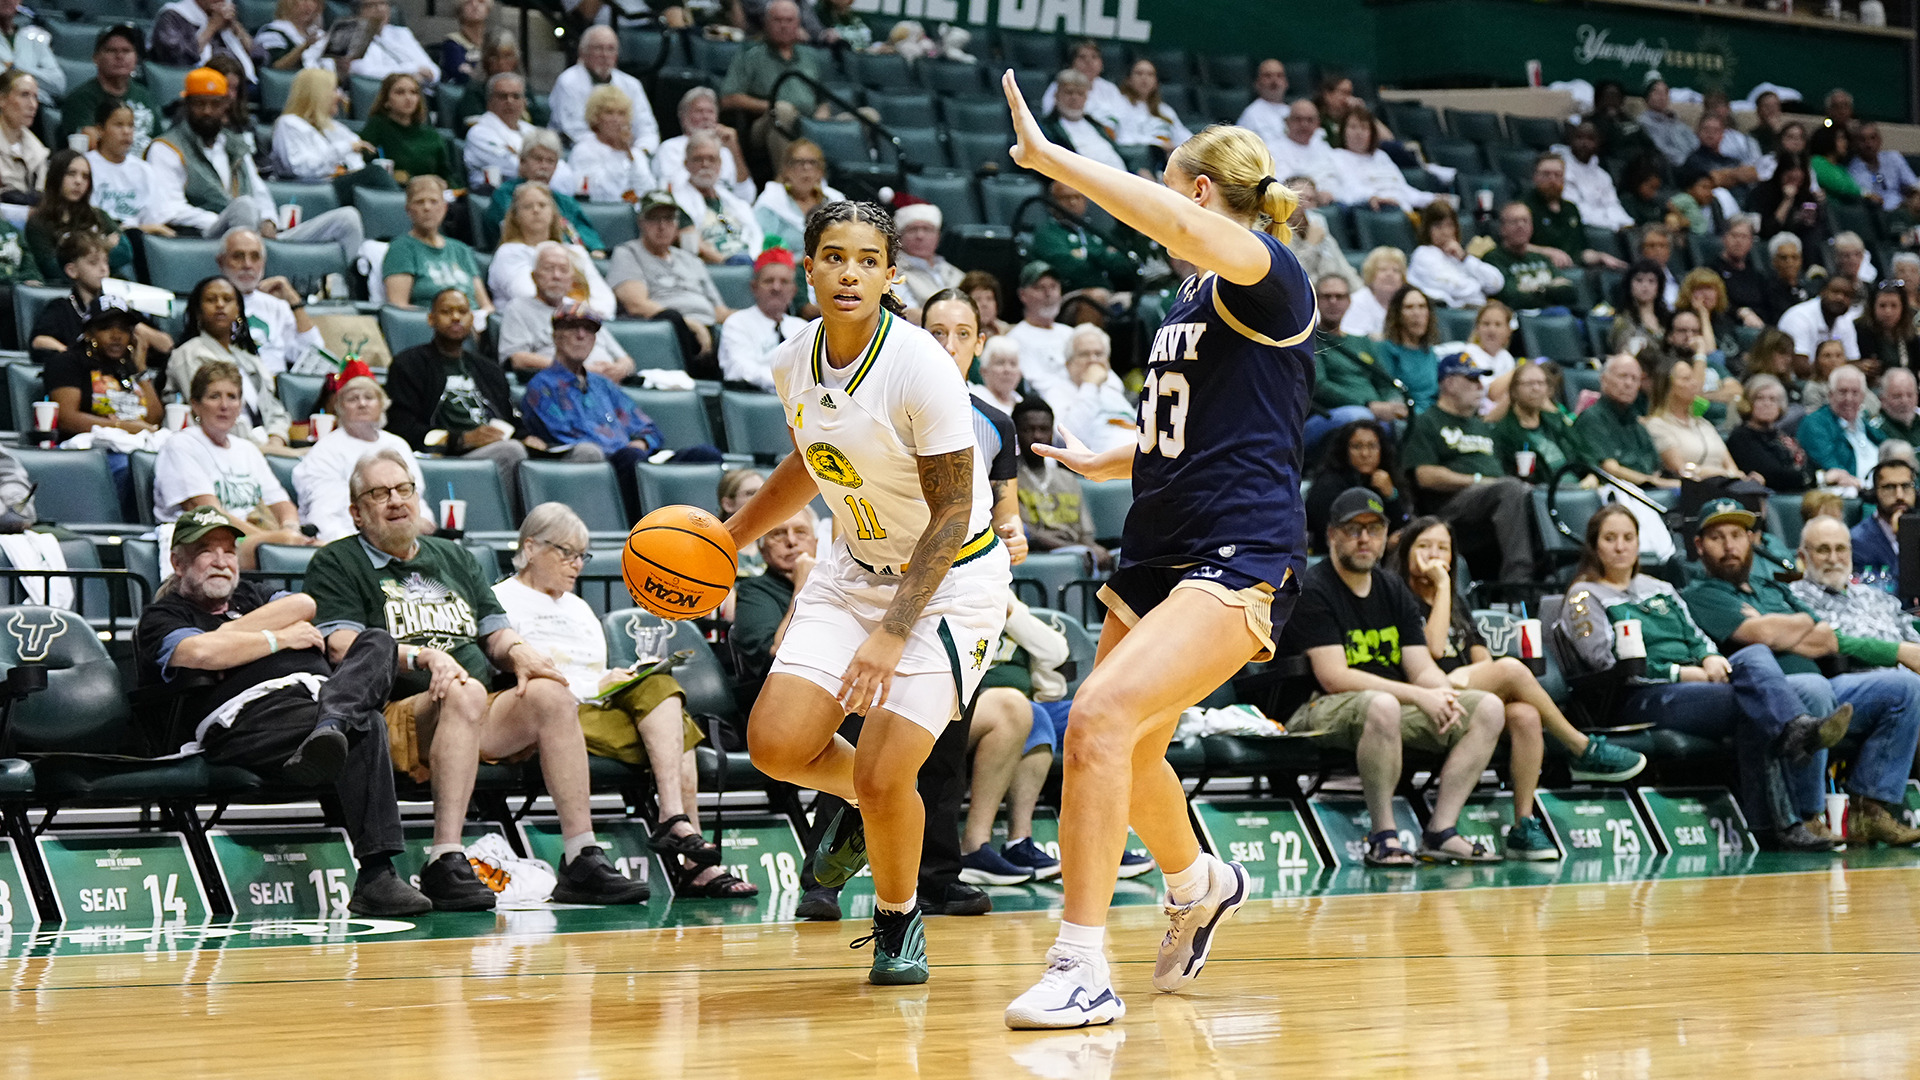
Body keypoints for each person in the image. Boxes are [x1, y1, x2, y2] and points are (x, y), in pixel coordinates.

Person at [993, 86, 1320, 1024]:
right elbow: (1224, 413)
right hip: (1157, 539)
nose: (1164, 218)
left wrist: (1055, 160)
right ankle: (1197, 879)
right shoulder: (1194, 290)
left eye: (1175, 197)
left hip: (1237, 545)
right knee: (1129, 754)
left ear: (1205, 195)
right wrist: (1130, 449)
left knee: (1093, 720)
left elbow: (1165, 212)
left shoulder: (1270, 271)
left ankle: (1080, 966)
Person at [712, 201, 1010, 988]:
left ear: (889, 275)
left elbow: (951, 514)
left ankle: (897, 916)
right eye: (833, 256)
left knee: (885, 775)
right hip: (853, 573)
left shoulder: (921, 367)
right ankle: (877, 816)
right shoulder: (791, 362)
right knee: (776, 746)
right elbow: (815, 463)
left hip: (952, 581)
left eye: (866, 260)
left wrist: (890, 635)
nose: (849, 272)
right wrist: (729, 538)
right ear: (807, 267)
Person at [308, 450, 650, 909]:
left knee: (551, 693)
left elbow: (495, 632)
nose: (395, 500)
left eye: (403, 489)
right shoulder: (338, 561)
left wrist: (520, 651)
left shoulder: (453, 556)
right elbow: (342, 645)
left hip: (473, 708)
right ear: (357, 512)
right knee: (464, 689)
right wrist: (423, 657)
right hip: (399, 714)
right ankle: (444, 859)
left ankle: (581, 856)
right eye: (378, 493)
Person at [133, 505, 432, 916]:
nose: (221, 561)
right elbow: (199, 650)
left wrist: (233, 645)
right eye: (206, 551)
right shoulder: (164, 616)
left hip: (317, 700)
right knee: (368, 723)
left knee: (378, 641)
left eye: (228, 551)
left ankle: (331, 725)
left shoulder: (252, 595)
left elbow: (305, 604)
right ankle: (377, 876)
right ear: (177, 562)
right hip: (247, 720)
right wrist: (278, 639)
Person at [494, 504, 758, 898]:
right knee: (681, 733)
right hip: (548, 712)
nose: (577, 564)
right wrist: (597, 684)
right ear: (530, 547)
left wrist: (614, 680)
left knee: (658, 684)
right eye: (566, 552)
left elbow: (592, 668)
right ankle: (693, 860)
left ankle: (674, 820)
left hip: (596, 706)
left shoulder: (579, 608)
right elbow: (516, 671)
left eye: (583, 555)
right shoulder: (502, 599)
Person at [1555, 503, 1847, 850]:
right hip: (1643, 696)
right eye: (1610, 539)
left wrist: (1709, 657)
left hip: (1697, 688)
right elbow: (1606, 664)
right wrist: (1682, 672)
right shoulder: (1584, 596)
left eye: (1628, 538)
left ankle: (1791, 743)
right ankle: (1782, 812)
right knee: (1753, 703)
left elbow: (1696, 637)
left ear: (1638, 542)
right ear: (1594, 546)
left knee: (1754, 656)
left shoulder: (1659, 587)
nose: (1620, 546)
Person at [1393, 516, 1646, 857]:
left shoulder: (1456, 602)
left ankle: (1522, 825)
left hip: (1464, 691)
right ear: (1406, 552)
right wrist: (1440, 588)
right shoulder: (1398, 598)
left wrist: (1466, 678)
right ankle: (1581, 747)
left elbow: (1481, 658)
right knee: (1511, 668)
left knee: (1526, 715)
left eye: (1443, 548)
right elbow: (1433, 650)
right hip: (1422, 696)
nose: (1434, 555)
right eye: (1424, 546)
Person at [1284, 489, 1508, 863]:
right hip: (1315, 708)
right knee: (1384, 704)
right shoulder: (1315, 587)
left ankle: (1441, 831)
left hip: (1384, 708)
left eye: (1373, 529)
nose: (1363, 538)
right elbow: (1334, 677)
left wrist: (1442, 694)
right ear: (1332, 535)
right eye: (1353, 529)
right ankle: (1384, 835)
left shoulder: (1392, 588)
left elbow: (1421, 668)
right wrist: (1418, 696)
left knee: (1487, 708)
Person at [1682, 497, 1920, 848]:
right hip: (1769, 695)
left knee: (1906, 686)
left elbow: (1824, 636)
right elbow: (1762, 635)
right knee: (1813, 689)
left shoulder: (1773, 588)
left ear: (1752, 539)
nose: (1730, 545)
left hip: (1825, 683)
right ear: (1699, 546)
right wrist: (1792, 627)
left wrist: (1782, 627)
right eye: (1718, 537)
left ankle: (1870, 809)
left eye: (1737, 534)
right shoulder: (1701, 594)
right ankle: (1810, 816)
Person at [147, 68, 365, 261]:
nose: (207, 111)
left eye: (214, 104)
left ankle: (345, 285)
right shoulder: (167, 147)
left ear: (226, 105)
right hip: (204, 237)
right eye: (199, 103)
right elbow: (169, 210)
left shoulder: (235, 144)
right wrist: (228, 218)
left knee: (348, 219)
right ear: (186, 105)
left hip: (254, 234)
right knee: (245, 206)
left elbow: (259, 190)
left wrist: (268, 219)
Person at [388, 288, 558, 491]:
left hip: (497, 447)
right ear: (431, 319)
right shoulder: (409, 364)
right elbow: (402, 428)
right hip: (447, 455)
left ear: (471, 318)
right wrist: (461, 439)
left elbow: (510, 418)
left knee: (583, 453)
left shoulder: (489, 369)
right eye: (446, 311)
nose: (456, 317)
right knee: (511, 451)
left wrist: (527, 436)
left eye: (463, 311)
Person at [521, 300, 715, 477]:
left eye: (589, 330)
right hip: (599, 468)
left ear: (595, 340)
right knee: (629, 458)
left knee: (707, 455)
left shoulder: (603, 384)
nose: (581, 335)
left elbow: (648, 428)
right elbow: (565, 439)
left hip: (634, 458)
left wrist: (641, 443)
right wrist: (626, 450)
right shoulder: (542, 387)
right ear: (556, 336)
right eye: (572, 327)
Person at [153, 361, 312, 565]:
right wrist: (274, 541)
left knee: (326, 551)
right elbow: (208, 513)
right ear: (195, 404)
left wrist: (290, 529)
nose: (224, 406)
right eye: (214, 396)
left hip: (256, 540)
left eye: (232, 397)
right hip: (206, 542)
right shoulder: (181, 445)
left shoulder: (247, 449)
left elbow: (281, 503)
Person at [1401, 353, 1535, 582]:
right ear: (1450, 383)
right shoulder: (1427, 422)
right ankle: (1518, 581)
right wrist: (1477, 480)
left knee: (1536, 494)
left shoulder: (1481, 426)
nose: (1480, 386)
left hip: (1494, 502)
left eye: (1480, 380)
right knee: (1511, 489)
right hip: (1449, 507)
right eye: (1472, 380)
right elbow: (1424, 476)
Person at [291, 367, 426, 541]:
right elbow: (324, 513)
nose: (362, 403)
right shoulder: (325, 450)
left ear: (382, 404)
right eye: (353, 399)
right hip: (346, 538)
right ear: (339, 407)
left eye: (369, 397)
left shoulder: (398, 444)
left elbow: (416, 497)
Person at [1795, 516, 1920, 699]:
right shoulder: (1797, 598)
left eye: (1840, 549)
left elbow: (1910, 633)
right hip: (1860, 686)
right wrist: (1898, 653)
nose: (1833, 558)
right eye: (1823, 550)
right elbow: (1830, 643)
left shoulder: (1871, 594)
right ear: (1803, 557)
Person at [165, 275, 294, 450]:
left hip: (265, 446)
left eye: (227, 299)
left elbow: (275, 411)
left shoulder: (250, 359)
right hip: (213, 447)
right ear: (198, 311)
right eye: (211, 300)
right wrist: (265, 450)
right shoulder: (187, 354)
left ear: (238, 310)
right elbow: (208, 416)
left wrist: (276, 441)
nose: (220, 305)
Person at [608, 192, 732, 364]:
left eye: (668, 219)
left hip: (709, 329)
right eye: (654, 219)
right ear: (641, 223)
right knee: (673, 317)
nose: (662, 226)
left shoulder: (691, 260)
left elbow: (720, 312)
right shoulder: (628, 253)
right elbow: (636, 304)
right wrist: (690, 323)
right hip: (671, 331)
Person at [718, 0, 830, 168]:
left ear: (798, 24)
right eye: (778, 20)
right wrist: (772, 106)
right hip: (765, 124)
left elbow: (824, 99)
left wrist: (822, 115)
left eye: (789, 20)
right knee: (782, 112)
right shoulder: (750, 55)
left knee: (867, 116)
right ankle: (789, 183)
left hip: (808, 122)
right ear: (766, 22)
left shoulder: (810, 57)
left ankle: (846, 186)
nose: (783, 25)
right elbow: (728, 98)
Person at [28, 231, 171, 361]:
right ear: (72, 270)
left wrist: (131, 324)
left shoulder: (120, 307)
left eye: (106, 262)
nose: (104, 269)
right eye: (93, 262)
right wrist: (75, 360)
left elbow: (167, 346)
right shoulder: (61, 308)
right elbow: (39, 341)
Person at [497, 242, 632, 378]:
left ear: (572, 279)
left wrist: (620, 369)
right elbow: (517, 359)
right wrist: (580, 370)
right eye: (549, 268)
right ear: (534, 276)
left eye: (563, 269)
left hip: (608, 384)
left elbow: (625, 360)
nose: (556, 276)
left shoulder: (581, 309)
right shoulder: (518, 309)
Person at [43, 298, 162, 439]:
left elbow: (154, 420)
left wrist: (141, 369)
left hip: (135, 446)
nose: (116, 336)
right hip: (88, 448)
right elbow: (66, 419)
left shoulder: (131, 367)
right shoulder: (68, 362)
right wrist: (122, 427)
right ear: (89, 333)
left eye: (123, 329)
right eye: (106, 327)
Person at [1013, 398, 1110, 570]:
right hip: (1037, 556)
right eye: (1028, 429)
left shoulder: (1067, 478)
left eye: (1043, 429)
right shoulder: (1009, 479)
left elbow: (1085, 533)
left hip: (1076, 553)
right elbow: (1029, 534)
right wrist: (1073, 550)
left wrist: (1092, 548)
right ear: (1016, 433)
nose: (1037, 436)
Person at [214, 229, 326, 379]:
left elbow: (314, 356)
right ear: (221, 262)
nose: (247, 264)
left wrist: (295, 303)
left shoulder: (277, 306)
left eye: (255, 257)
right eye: (238, 256)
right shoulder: (210, 304)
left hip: (275, 392)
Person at [489, 183, 614, 316]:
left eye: (542, 205)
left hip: (585, 325)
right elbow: (528, 294)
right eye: (527, 206)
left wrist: (588, 318)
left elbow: (605, 299)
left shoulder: (576, 252)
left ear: (554, 213)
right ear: (515, 216)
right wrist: (580, 312)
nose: (536, 210)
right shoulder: (509, 252)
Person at [271, 68, 391, 203]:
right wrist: (345, 148)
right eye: (334, 90)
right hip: (312, 190)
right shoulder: (289, 124)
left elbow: (357, 164)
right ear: (317, 93)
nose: (339, 96)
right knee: (374, 174)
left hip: (340, 184)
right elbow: (300, 169)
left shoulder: (335, 127)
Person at [382, 175, 491, 315]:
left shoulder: (461, 250)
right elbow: (399, 307)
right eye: (419, 202)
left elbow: (486, 306)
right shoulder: (401, 248)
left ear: (445, 208)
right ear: (408, 210)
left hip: (473, 325)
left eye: (434, 202)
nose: (427, 207)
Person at [547, 26, 659, 153]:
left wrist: (640, 151)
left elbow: (646, 127)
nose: (605, 55)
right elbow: (574, 130)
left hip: (625, 152)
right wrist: (611, 150)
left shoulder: (632, 84)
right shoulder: (568, 81)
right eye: (598, 48)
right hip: (578, 151)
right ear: (583, 52)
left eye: (610, 49)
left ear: (617, 55)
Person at [481, 132, 598, 250]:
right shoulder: (506, 195)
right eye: (538, 159)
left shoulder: (565, 202)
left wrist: (595, 250)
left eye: (550, 161)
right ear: (522, 162)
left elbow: (587, 236)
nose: (544, 166)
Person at [1305, 418, 1405, 554]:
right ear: (1345, 451)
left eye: (1372, 446)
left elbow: (1403, 526)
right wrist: (1383, 543)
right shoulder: (1328, 485)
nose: (1365, 454)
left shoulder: (1388, 479)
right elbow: (1327, 534)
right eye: (1357, 447)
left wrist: (1391, 496)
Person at [1573, 354, 1673, 490]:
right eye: (1622, 376)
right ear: (1604, 380)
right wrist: (1651, 482)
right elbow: (1609, 469)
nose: (1628, 384)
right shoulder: (1592, 418)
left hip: (1649, 490)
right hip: (1619, 492)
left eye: (1634, 379)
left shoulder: (1636, 421)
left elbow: (1656, 467)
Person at [58, 25, 160, 158]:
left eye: (127, 50)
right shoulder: (80, 99)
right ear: (96, 58)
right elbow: (89, 145)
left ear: (136, 58)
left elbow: (160, 141)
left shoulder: (144, 95)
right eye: (111, 50)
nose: (120, 56)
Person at [24, 149, 125, 280]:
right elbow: (53, 268)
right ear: (56, 176)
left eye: (85, 176)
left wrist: (76, 259)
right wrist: (104, 247)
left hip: (110, 284)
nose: (78, 181)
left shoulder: (97, 214)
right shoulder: (39, 222)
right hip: (65, 291)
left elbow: (125, 251)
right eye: (71, 174)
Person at [1030, 180, 1138, 301]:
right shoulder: (1047, 233)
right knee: (1095, 297)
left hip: (1108, 291)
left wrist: (1086, 254)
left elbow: (1124, 265)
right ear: (1052, 203)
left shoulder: (1092, 231)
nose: (1072, 202)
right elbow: (1071, 268)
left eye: (1078, 197)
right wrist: (1103, 256)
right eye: (1065, 198)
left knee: (1143, 301)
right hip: (1064, 297)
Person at [1644, 352, 1742, 481]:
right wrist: (1723, 474)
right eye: (1686, 379)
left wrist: (1736, 477)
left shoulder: (1704, 425)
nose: (1695, 384)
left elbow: (1732, 468)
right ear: (1668, 386)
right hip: (1692, 491)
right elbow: (1680, 469)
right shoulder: (1657, 425)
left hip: (1725, 487)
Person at [670, 131, 762, 265]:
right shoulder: (677, 201)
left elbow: (754, 235)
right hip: (715, 269)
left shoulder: (732, 201)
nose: (705, 164)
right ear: (686, 164)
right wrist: (727, 263)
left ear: (720, 164)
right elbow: (693, 246)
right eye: (698, 159)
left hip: (749, 262)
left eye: (711, 159)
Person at [718, 247, 803, 391]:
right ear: (754, 287)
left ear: (793, 290)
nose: (776, 288)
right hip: (754, 400)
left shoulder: (803, 328)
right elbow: (741, 370)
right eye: (769, 281)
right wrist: (791, 383)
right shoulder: (737, 323)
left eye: (784, 282)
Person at [1043, 323, 1135, 457]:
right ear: (1068, 364)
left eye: (1098, 354)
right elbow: (1067, 438)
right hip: (1103, 468)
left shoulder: (1111, 387)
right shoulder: (1057, 391)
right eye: (1084, 354)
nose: (1093, 360)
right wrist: (1090, 385)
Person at [1524, 153, 1625, 270]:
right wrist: (1547, 252)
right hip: (1541, 268)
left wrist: (1600, 256)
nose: (1552, 180)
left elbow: (1581, 252)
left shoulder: (1570, 209)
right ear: (1535, 177)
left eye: (1557, 175)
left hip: (1574, 268)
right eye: (1546, 174)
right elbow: (1512, 246)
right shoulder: (1523, 208)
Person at [1326, 103, 1435, 210]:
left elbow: (1404, 190)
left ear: (1372, 133)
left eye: (1364, 128)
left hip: (1404, 209)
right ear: (1343, 132)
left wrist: (1434, 199)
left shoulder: (1381, 156)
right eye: (1353, 127)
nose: (1358, 133)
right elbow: (1350, 190)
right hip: (1377, 210)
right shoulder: (1336, 157)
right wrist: (1373, 198)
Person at [658, 87, 754, 205]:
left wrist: (734, 148)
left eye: (710, 112)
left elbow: (747, 197)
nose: (706, 117)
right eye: (699, 111)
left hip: (728, 213)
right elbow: (672, 190)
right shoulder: (670, 148)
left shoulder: (727, 151)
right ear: (683, 117)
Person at [87, 102, 171, 237]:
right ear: (100, 130)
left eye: (131, 125)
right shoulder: (86, 166)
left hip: (143, 240)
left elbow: (155, 218)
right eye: (119, 125)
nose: (126, 132)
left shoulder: (144, 170)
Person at [1491, 361, 1581, 483]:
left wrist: (1591, 476)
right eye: (1529, 384)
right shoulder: (1503, 432)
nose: (1536, 388)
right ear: (1514, 391)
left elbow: (1582, 455)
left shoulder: (1557, 422)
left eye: (1541, 383)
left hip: (1580, 487)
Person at [357, 73, 455, 185]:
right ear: (386, 100)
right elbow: (363, 166)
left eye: (413, 92)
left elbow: (448, 176)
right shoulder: (376, 127)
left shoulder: (432, 136)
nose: (408, 98)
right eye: (400, 92)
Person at [568, 85, 656, 205]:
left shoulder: (635, 153)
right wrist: (617, 149)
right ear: (596, 117)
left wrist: (628, 153)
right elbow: (601, 193)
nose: (616, 120)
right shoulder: (583, 150)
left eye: (621, 114)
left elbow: (648, 191)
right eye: (609, 113)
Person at [1728, 374, 1817, 493]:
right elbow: (1772, 474)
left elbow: (1807, 464)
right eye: (1760, 398)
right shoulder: (1741, 437)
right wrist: (1815, 478)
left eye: (1773, 399)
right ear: (1749, 403)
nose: (1767, 404)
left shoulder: (1780, 434)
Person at [1797, 364, 1883, 486]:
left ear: (1863, 397)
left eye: (1855, 392)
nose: (1849, 398)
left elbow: (1887, 446)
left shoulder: (1864, 422)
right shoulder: (1815, 423)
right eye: (1842, 392)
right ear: (1831, 395)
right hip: (1849, 494)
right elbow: (1829, 464)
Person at [1482, 202, 1578, 311]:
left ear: (1532, 227)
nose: (1521, 226)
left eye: (1525, 221)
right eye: (1514, 221)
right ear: (1502, 228)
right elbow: (1512, 297)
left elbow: (1569, 292)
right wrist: (1550, 289)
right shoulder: (1493, 258)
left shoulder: (1541, 258)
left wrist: (1537, 290)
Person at [1407, 201, 1501, 310]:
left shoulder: (1460, 255)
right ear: (1427, 229)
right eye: (1438, 226)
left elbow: (1496, 284)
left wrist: (1465, 258)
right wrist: (1480, 288)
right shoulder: (1423, 254)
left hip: (1477, 309)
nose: (1445, 232)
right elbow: (1455, 288)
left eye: (1449, 225)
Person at [1004, 261, 1075, 398]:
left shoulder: (1072, 335)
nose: (1048, 294)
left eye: (1053, 287)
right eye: (1040, 288)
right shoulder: (1014, 340)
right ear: (1023, 295)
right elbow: (1035, 385)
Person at [754, 138, 839, 250]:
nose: (806, 168)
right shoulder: (770, 202)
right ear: (786, 170)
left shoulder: (834, 200)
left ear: (820, 172)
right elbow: (760, 245)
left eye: (812, 163)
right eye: (799, 162)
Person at [330, 0, 437, 86]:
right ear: (358, 12)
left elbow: (434, 70)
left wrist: (427, 75)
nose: (380, 9)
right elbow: (363, 71)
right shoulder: (347, 34)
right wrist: (411, 72)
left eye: (383, 3)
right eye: (371, 5)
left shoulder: (402, 33)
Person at [1039, 69, 1126, 174]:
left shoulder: (1096, 124)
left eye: (1080, 94)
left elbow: (1121, 153)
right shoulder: (1046, 128)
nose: (1074, 98)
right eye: (1069, 92)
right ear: (1056, 95)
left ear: (1086, 98)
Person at [1551, 121, 1632, 232]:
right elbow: (1574, 208)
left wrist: (1626, 223)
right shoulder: (1560, 169)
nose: (1584, 143)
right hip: (1579, 226)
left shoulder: (1603, 176)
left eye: (1590, 139)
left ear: (1598, 143)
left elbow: (1612, 204)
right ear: (1570, 140)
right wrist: (1612, 225)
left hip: (1606, 226)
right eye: (1579, 138)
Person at [149, 0, 256, 83]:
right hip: (195, 85)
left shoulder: (226, 20)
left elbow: (260, 57)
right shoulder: (173, 16)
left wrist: (236, 28)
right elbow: (176, 56)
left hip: (240, 85)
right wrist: (212, 27)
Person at [463, 72, 537, 190]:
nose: (510, 101)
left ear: (524, 102)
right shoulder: (479, 133)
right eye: (503, 96)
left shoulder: (533, 131)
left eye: (516, 96)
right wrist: (545, 168)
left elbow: (560, 167)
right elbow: (512, 166)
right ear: (489, 101)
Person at [889, 202, 962, 313]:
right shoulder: (894, 274)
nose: (920, 236)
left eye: (927, 229)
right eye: (912, 229)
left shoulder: (955, 273)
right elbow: (906, 313)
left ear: (938, 236)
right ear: (899, 237)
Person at [1376, 285, 1440, 412]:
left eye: (1422, 306)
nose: (1417, 313)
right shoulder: (1386, 350)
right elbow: (1387, 392)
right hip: (1407, 416)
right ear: (1397, 314)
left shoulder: (1430, 352)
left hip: (1435, 416)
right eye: (1409, 307)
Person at [1111, 59, 1190, 159]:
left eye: (1150, 74)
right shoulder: (1119, 104)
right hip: (1138, 158)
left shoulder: (1165, 110)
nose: (1144, 78)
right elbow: (1125, 138)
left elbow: (1183, 135)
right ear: (1128, 79)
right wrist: (1159, 143)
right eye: (1139, 73)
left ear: (1156, 81)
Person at [1039, 38, 1125, 124]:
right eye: (1082, 57)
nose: (1089, 62)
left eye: (1094, 57)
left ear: (1101, 64)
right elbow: (1050, 117)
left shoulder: (1110, 88)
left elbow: (1124, 117)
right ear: (1072, 63)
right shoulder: (1060, 86)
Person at [1848, 459, 1912, 573]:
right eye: (1889, 487)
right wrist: (1904, 542)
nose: (1899, 496)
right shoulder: (1858, 540)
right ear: (1874, 493)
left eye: (1906, 486)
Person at [1847, 122, 1916, 210]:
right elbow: (1871, 200)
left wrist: (1913, 198)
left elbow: (1912, 184)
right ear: (1855, 143)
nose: (1869, 144)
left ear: (1879, 140)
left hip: (1906, 207)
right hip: (1881, 215)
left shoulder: (1893, 157)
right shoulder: (1854, 170)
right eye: (1862, 140)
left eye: (1873, 138)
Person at [1855, 282, 1919, 375]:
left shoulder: (1911, 338)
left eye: (1894, 306)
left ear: (1903, 309)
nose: (1888, 312)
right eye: (1882, 306)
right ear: (1872, 308)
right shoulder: (1860, 332)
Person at [0, 69, 45, 200]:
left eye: (35, 97)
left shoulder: (38, 151)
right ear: (2, 99)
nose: (33, 105)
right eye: (24, 95)